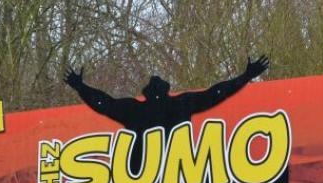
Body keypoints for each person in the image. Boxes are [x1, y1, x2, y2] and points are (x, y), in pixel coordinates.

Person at [64, 56, 269, 166]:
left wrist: (80, 87)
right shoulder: (179, 104)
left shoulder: (135, 109)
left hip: (161, 173)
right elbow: (215, 94)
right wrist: (245, 76)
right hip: (160, 174)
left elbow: (104, 103)